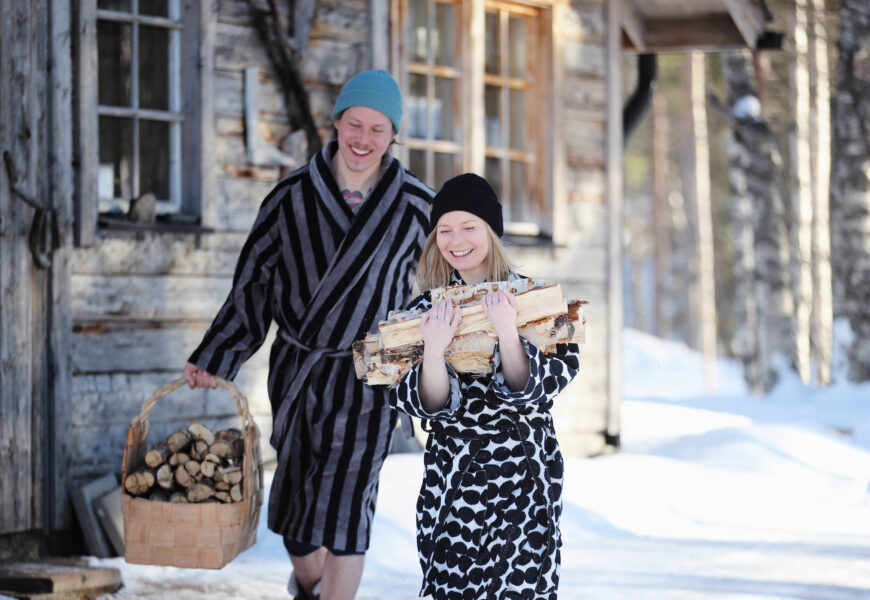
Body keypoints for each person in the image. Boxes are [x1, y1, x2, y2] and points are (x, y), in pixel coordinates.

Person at [183, 69, 433, 600]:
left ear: (393, 137)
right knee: (297, 520)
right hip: (299, 373)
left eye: (378, 129)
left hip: (371, 378)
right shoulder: (289, 197)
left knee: (347, 512)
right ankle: (312, 587)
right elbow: (252, 286)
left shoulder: (416, 206)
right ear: (337, 122)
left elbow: (449, 279)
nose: (363, 139)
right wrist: (217, 354)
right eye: (355, 124)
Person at [387, 173, 580, 600]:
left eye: (469, 226)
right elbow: (428, 405)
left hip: (524, 473)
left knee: (521, 589)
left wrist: (508, 334)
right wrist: (434, 350)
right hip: (455, 472)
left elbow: (541, 387)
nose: (456, 240)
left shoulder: (535, 301)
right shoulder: (423, 312)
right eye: (445, 229)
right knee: (453, 588)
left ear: (491, 231)